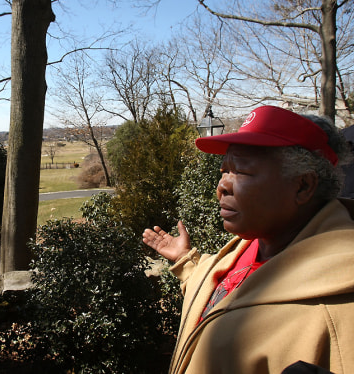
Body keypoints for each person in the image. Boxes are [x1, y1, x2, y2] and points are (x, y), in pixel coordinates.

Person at [142, 105, 354, 374]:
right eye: (224, 171)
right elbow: (227, 296)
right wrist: (187, 262)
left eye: (242, 172)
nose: (222, 186)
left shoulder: (339, 306)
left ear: (303, 185)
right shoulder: (259, 241)